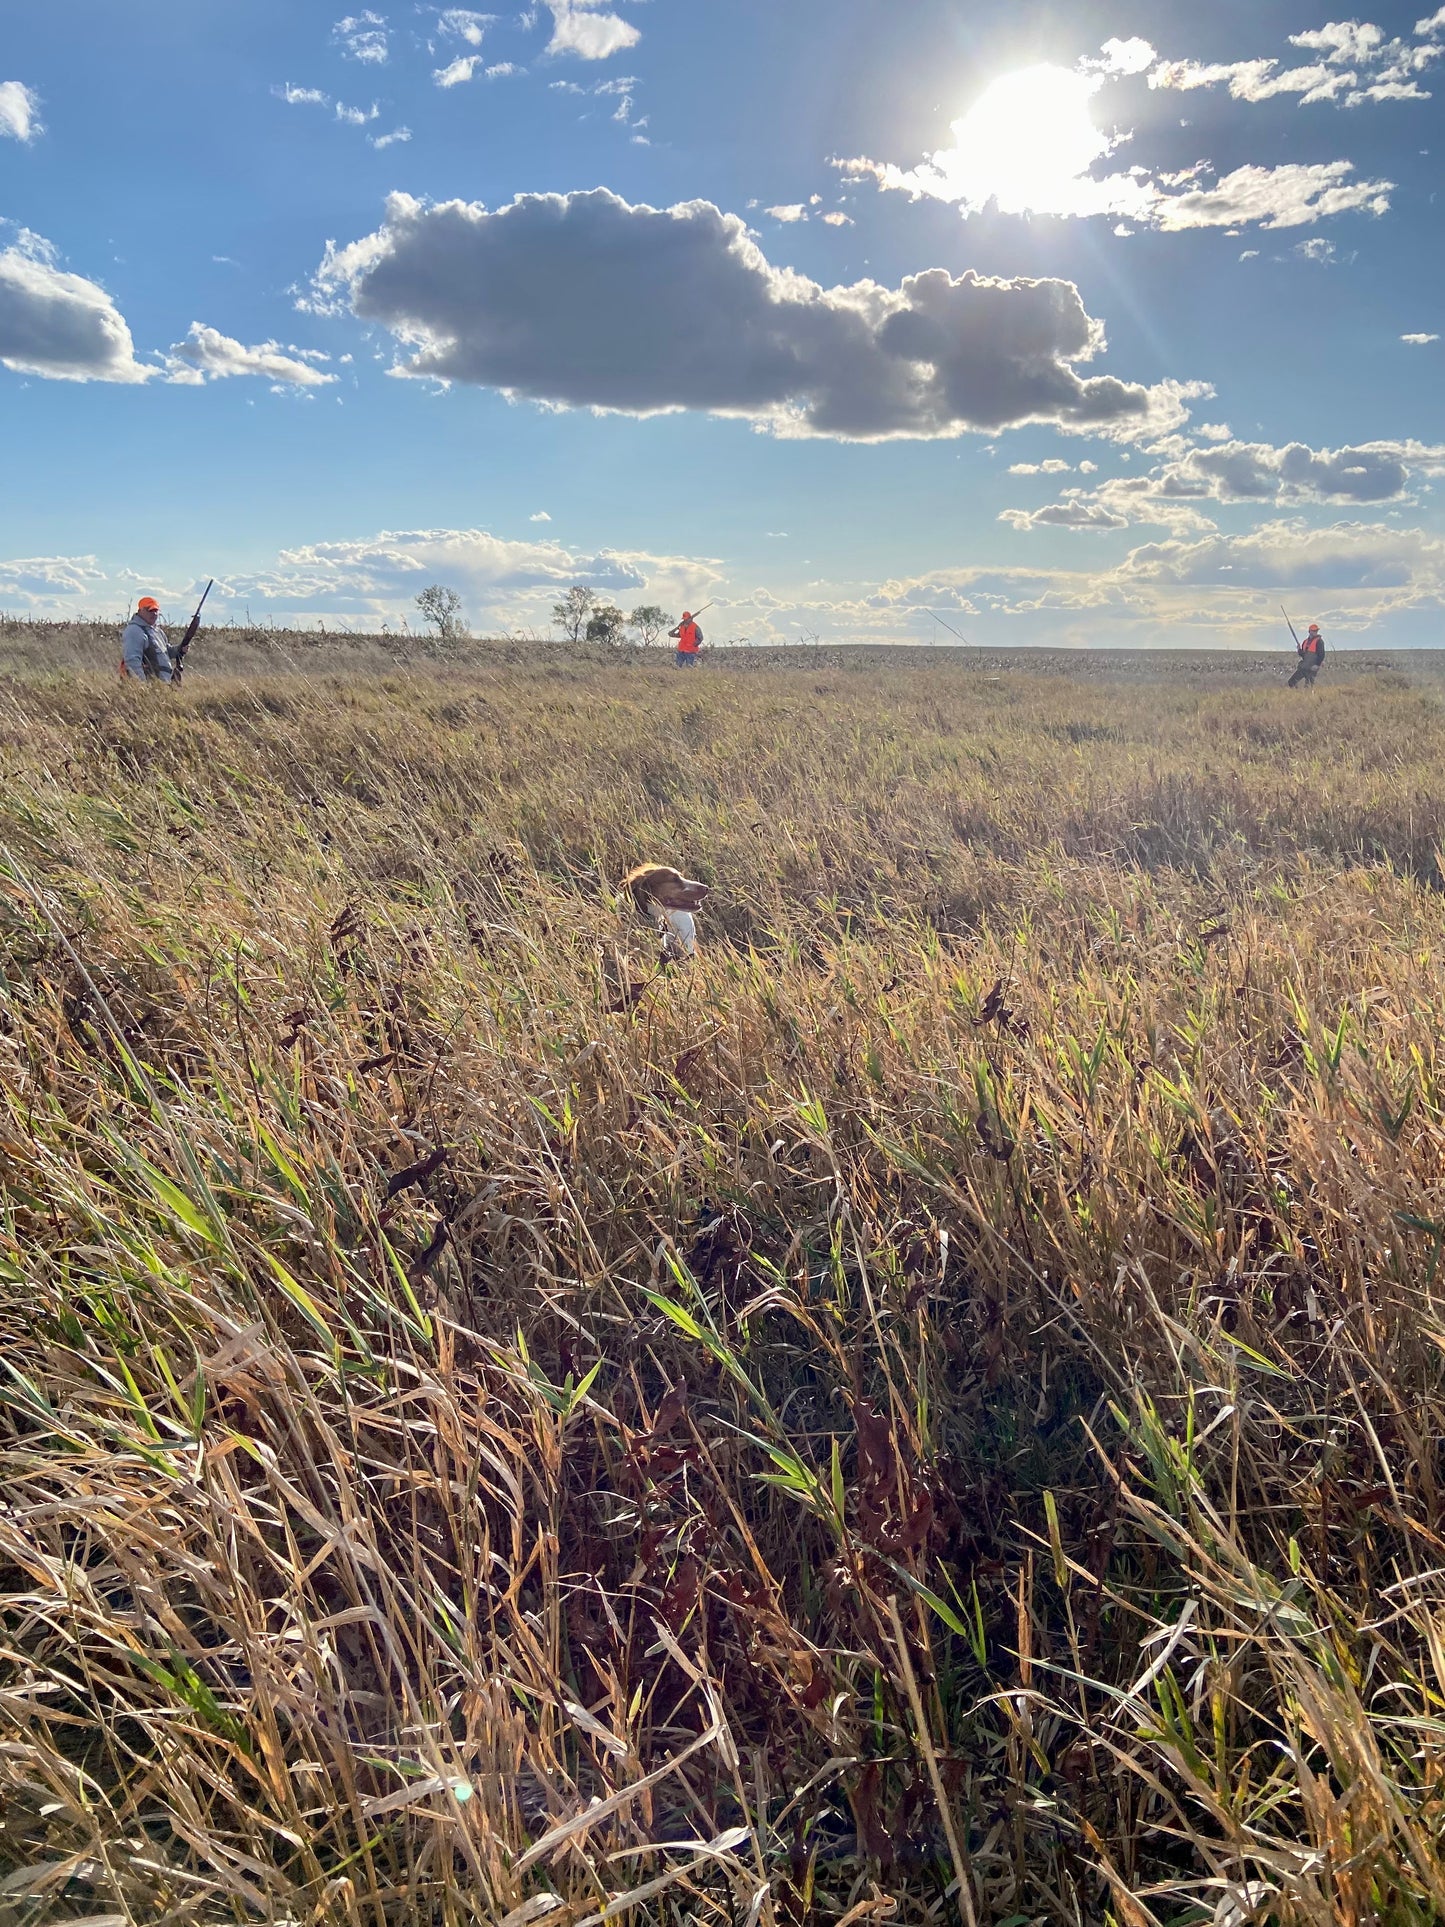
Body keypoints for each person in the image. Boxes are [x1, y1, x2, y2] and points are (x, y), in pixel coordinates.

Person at [120, 598, 174, 684]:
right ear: (140, 611)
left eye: (156, 610)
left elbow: (165, 653)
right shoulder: (135, 631)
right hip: (150, 685)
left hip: (163, 684)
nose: (154, 613)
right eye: (150, 610)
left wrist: (179, 649)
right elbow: (132, 661)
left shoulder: (157, 631)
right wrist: (142, 685)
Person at [1288, 622, 1325, 688]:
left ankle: (1308, 694)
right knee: (1291, 682)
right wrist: (1299, 650)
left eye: (1316, 631)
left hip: (1312, 667)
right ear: (1309, 631)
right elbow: (1303, 655)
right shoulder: (1305, 642)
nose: (1315, 632)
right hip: (1304, 667)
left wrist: (1317, 665)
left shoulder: (1319, 641)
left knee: (1309, 686)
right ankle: (1297, 693)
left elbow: (1321, 655)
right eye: (1313, 631)